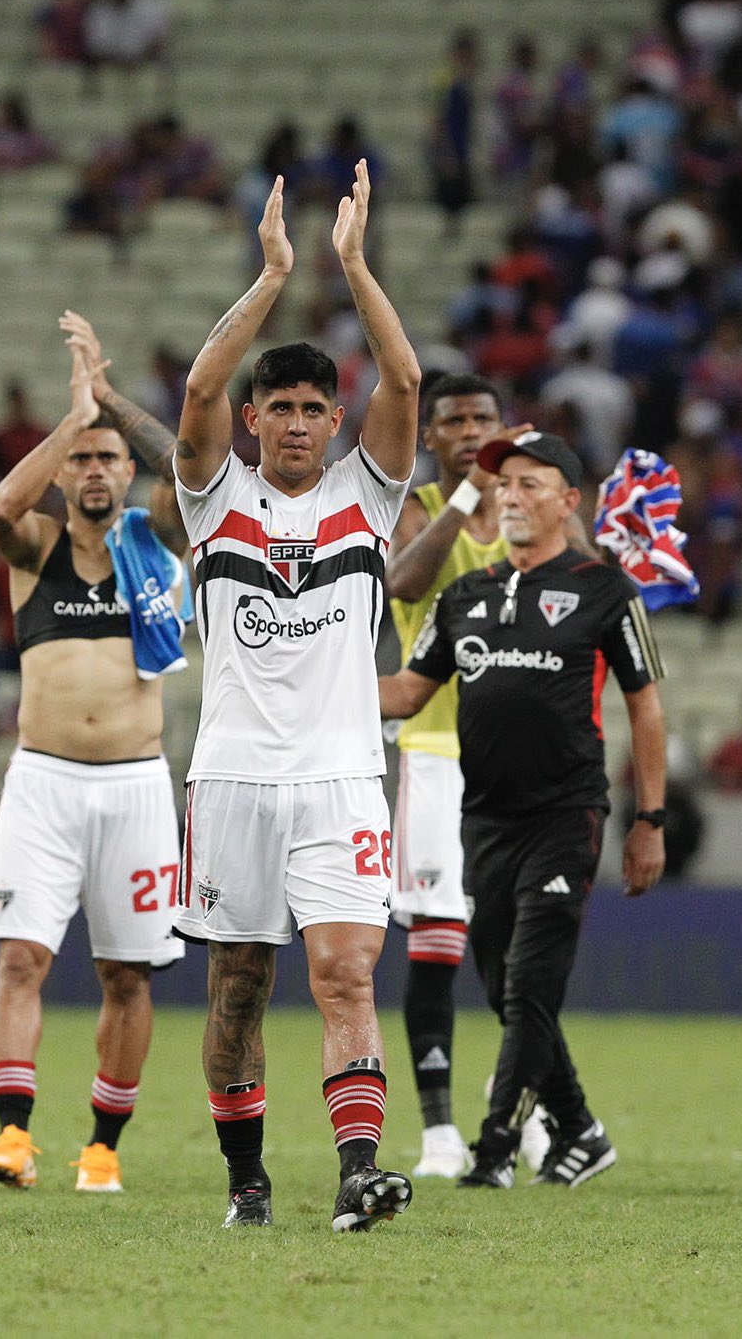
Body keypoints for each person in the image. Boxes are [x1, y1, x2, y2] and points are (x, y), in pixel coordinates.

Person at [171, 165, 421, 1232]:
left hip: (341, 779)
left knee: (346, 972)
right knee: (236, 991)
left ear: (333, 420)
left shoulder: (367, 495)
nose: (300, 423)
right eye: (280, 406)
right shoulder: (211, 494)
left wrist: (355, 268)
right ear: (255, 419)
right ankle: (248, 1181)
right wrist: (274, 274)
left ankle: (359, 1170)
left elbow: (405, 386)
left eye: (319, 407)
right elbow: (193, 394)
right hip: (232, 776)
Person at [380, 429, 667, 1190]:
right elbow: (407, 692)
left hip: (566, 814)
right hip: (484, 820)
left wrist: (650, 820)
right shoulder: (463, 595)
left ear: (568, 502)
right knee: (508, 983)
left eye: (531, 484)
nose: (511, 495)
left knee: (529, 986)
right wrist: (306, 679)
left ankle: (495, 1147)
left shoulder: (606, 590)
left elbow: (645, 708)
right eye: (503, 483)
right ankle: (580, 1129)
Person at [0, 314, 189, 1195]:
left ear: (124, 471)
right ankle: (13, 1137)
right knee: (21, 958)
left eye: (106, 457)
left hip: (137, 786)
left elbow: (194, 470)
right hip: (44, 782)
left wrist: (109, 402)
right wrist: (69, 419)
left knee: (125, 971)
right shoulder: (37, 551)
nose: (95, 470)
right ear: (62, 471)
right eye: (80, 460)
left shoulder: (157, 542)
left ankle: (103, 1143)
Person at [384, 372, 509, 1178]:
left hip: (516, 760)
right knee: (436, 942)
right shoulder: (420, 509)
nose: (469, 430)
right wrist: (466, 494)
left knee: (520, 948)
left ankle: (522, 1111)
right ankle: (436, 1132)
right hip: (433, 752)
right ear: (430, 437)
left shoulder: (534, 512)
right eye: (453, 421)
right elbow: (403, 581)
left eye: (482, 418)